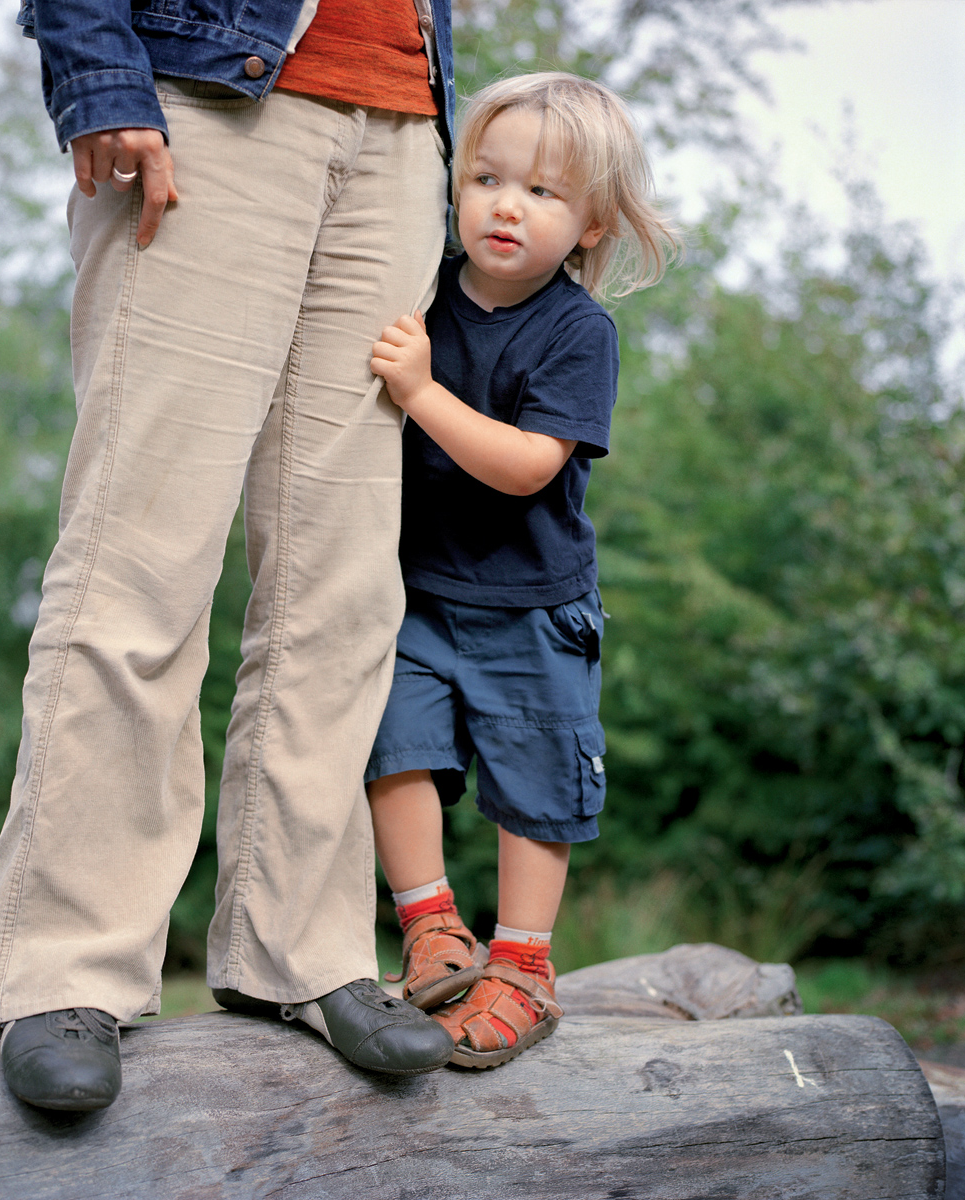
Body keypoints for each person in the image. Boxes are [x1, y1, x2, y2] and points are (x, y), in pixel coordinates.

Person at [0, 0, 458, 1111]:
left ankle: (299, 946)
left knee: (340, 587)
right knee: (141, 560)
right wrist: (97, 73)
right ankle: (66, 967)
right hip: (213, 96)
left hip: (396, 130)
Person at [365, 72, 678, 1068]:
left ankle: (525, 970)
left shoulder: (578, 331)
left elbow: (525, 467)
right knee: (389, 746)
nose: (508, 205)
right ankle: (432, 932)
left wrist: (417, 392)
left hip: (535, 609)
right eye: (488, 178)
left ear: (589, 225)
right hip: (420, 596)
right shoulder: (422, 290)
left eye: (543, 192)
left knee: (534, 786)